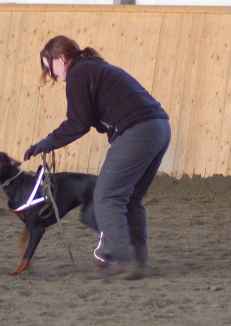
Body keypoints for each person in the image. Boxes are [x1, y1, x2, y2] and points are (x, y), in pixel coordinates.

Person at [24, 35, 171, 280]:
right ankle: (136, 260)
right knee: (131, 197)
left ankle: (123, 261)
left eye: (49, 66)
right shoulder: (94, 69)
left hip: (137, 130)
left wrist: (47, 142)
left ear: (61, 59)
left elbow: (78, 122)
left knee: (106, 196)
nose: (50, 73)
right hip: (159, 128)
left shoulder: (79, 74)